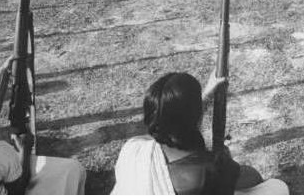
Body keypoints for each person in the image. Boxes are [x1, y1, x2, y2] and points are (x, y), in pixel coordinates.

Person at [111, 71, 289, 194]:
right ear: (196, 116)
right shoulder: (206, 171)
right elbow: (252, 178)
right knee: (277, 187)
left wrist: (205, 95)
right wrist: (225, 163)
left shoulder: (134, 148)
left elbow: (172, 120)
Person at [0, 56, 86, 194]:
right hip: (14, 186)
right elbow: (18, 189)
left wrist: (3, 74)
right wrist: (25, 151)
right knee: (72, 169)